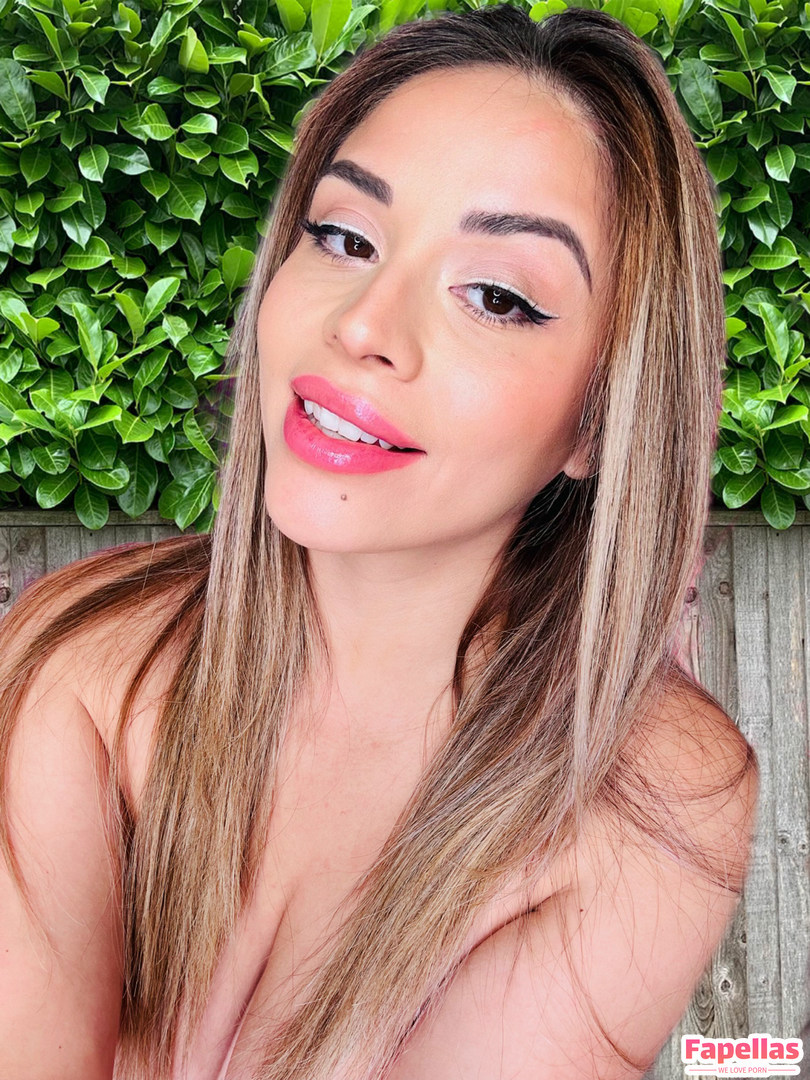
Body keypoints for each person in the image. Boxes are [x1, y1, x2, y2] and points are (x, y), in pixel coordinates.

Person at [0, 5, 759, 1079]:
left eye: (496, 297)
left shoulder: (648, 793)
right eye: (345, 238)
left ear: (602, 417)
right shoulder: (82, 661)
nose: (362, 325)